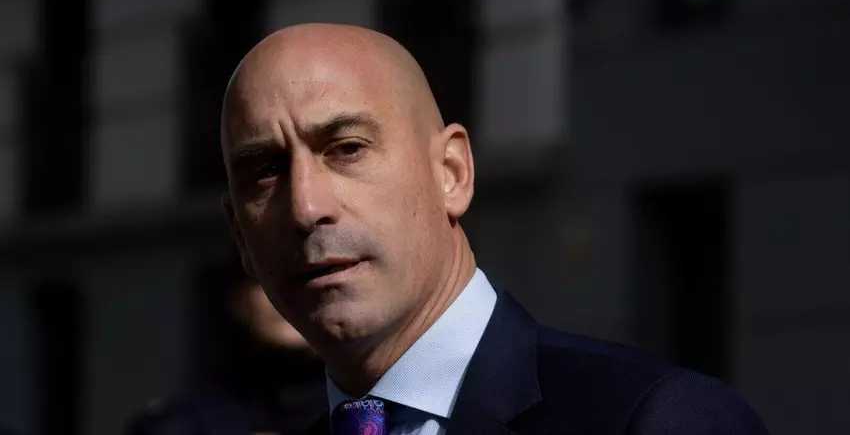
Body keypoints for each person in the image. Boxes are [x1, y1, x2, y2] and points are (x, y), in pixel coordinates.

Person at [220, 23, 769, 434]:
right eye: (264, 171)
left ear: (452, 173)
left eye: (347, 149)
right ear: (240, 234)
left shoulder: (658, 420)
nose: (306, 206)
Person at [124, 273, 326, 435]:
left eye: (310, 277)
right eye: (266, 278)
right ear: (238, 300)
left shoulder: (343, 409)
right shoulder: (179, 424)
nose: (289, 296)